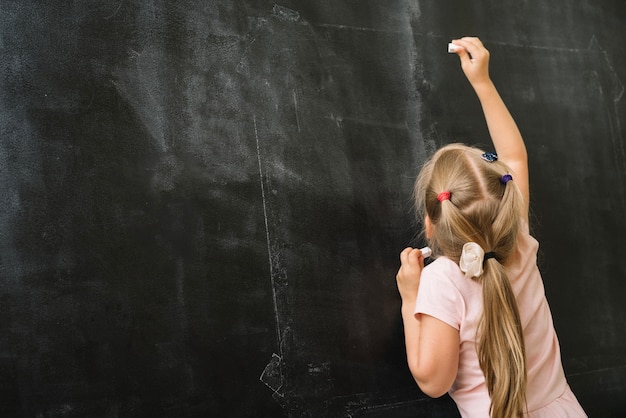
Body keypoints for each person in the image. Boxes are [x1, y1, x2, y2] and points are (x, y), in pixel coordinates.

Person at [396, 37, 587, 418]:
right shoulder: (517, 242)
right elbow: (514, 156)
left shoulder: (441, 283)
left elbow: (433, 381)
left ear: (430, 224)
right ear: (507, 203)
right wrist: (482, 81)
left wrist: (409, 297)